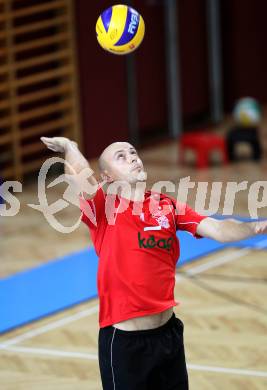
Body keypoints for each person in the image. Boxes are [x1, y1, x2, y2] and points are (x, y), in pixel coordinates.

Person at [41, 137, 267, 390]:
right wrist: (70, 147)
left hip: (168, 336)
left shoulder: (167, 206)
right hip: (126, 345)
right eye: (121, 157)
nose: (132, 158)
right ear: (107, 177)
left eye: (133, 152)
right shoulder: (104, 209)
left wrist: (252, 228)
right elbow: (82, 178)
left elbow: (217, 228)